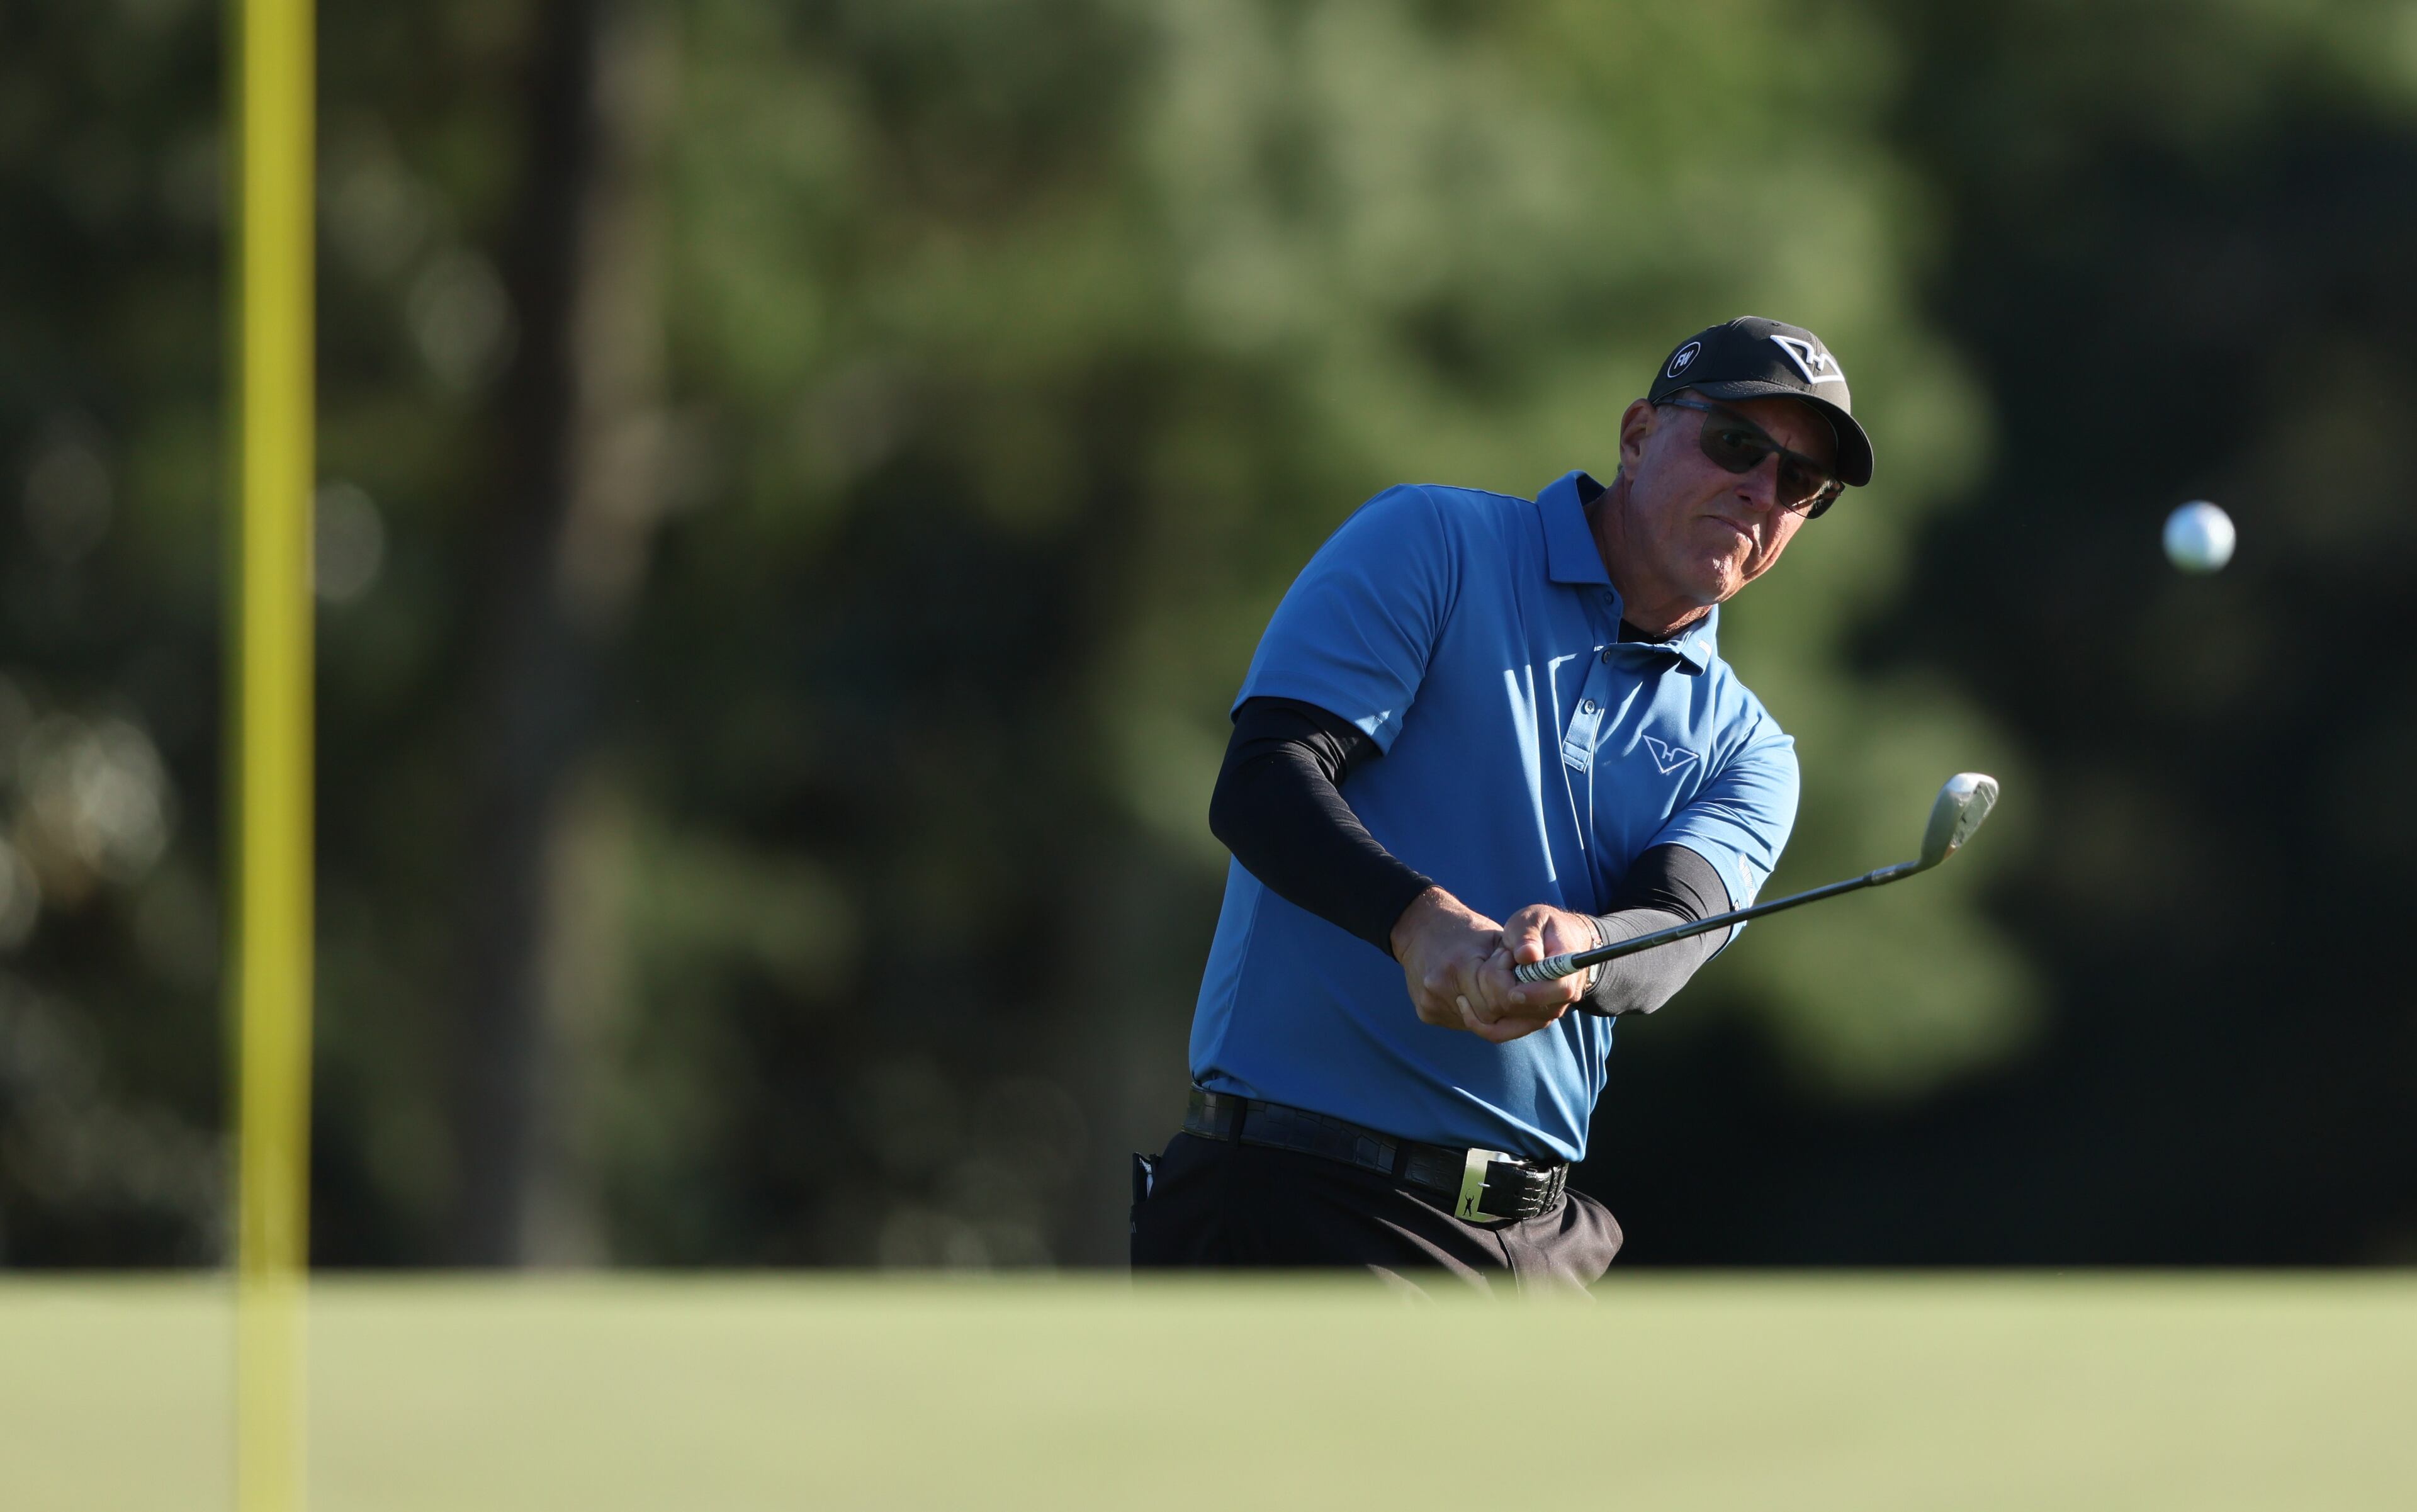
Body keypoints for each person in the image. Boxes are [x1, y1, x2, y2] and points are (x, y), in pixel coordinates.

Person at [1128, 317, 1875, 1292]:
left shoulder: (1749, 748)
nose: (1763, 491)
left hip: (1535, 1247)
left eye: (1800, 484)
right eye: (1739, 444)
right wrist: (1413, 923)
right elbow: (1267, 780)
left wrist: (1581, 949)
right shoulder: (1436, 542)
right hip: (1293, 1199)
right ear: (1641, 434)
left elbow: (1675, 927)